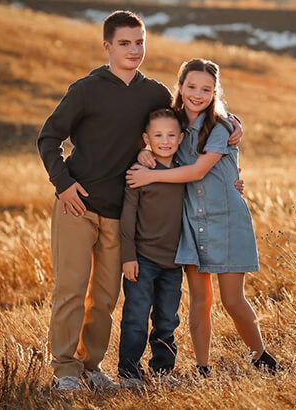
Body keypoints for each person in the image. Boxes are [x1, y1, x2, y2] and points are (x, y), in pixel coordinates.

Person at [37, 11, 242, 393]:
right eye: (125, 43)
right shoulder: (86, 89)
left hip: (121, 212)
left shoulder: (154, 94)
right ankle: (65, 370)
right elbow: (47, 139)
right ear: (107, 47)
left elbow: (194, 114)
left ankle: (91, 366)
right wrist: (63, 184)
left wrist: (234, 125)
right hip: (77, 205)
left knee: (105, 297)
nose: (134, 50)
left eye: (140, 42)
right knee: (71, 288)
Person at [127, 58, 279, 377]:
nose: (198, 94)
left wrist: (150, 176)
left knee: (233, 300)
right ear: (179, 86)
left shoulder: (222, 127)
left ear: (215, 92)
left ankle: (261, 357)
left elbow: (197, 170)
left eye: (206, 89)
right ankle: (203, 368)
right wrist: (146, 153)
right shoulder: (173, 125)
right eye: (191, 86)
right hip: (192, 225)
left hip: (227, 221)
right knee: (200, 300)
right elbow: (158, 142)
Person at [118, 108, 186, 389]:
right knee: (135, 317)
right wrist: (128, 256)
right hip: (143, 260)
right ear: (146, 138)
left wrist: (236, 184)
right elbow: (127, 217)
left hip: (175, 262)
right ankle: (129, 373)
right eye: (158, 135)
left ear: (181, 138)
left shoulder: (185, 170)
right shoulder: (139, 171)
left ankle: (162, 371)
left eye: (171, 135)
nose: (165, 140)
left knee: (167, 320)